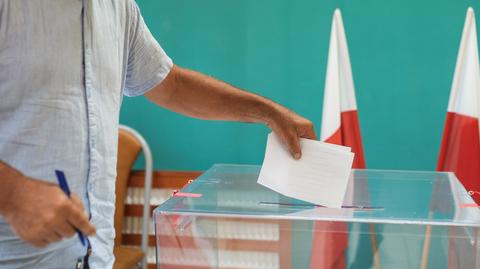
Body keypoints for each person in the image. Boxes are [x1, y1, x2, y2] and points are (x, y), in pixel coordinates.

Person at [0, 1, 316, 268]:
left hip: (94, 256)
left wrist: (268, 112)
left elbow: (171, 85)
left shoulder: (118, 8)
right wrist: (13, 196)